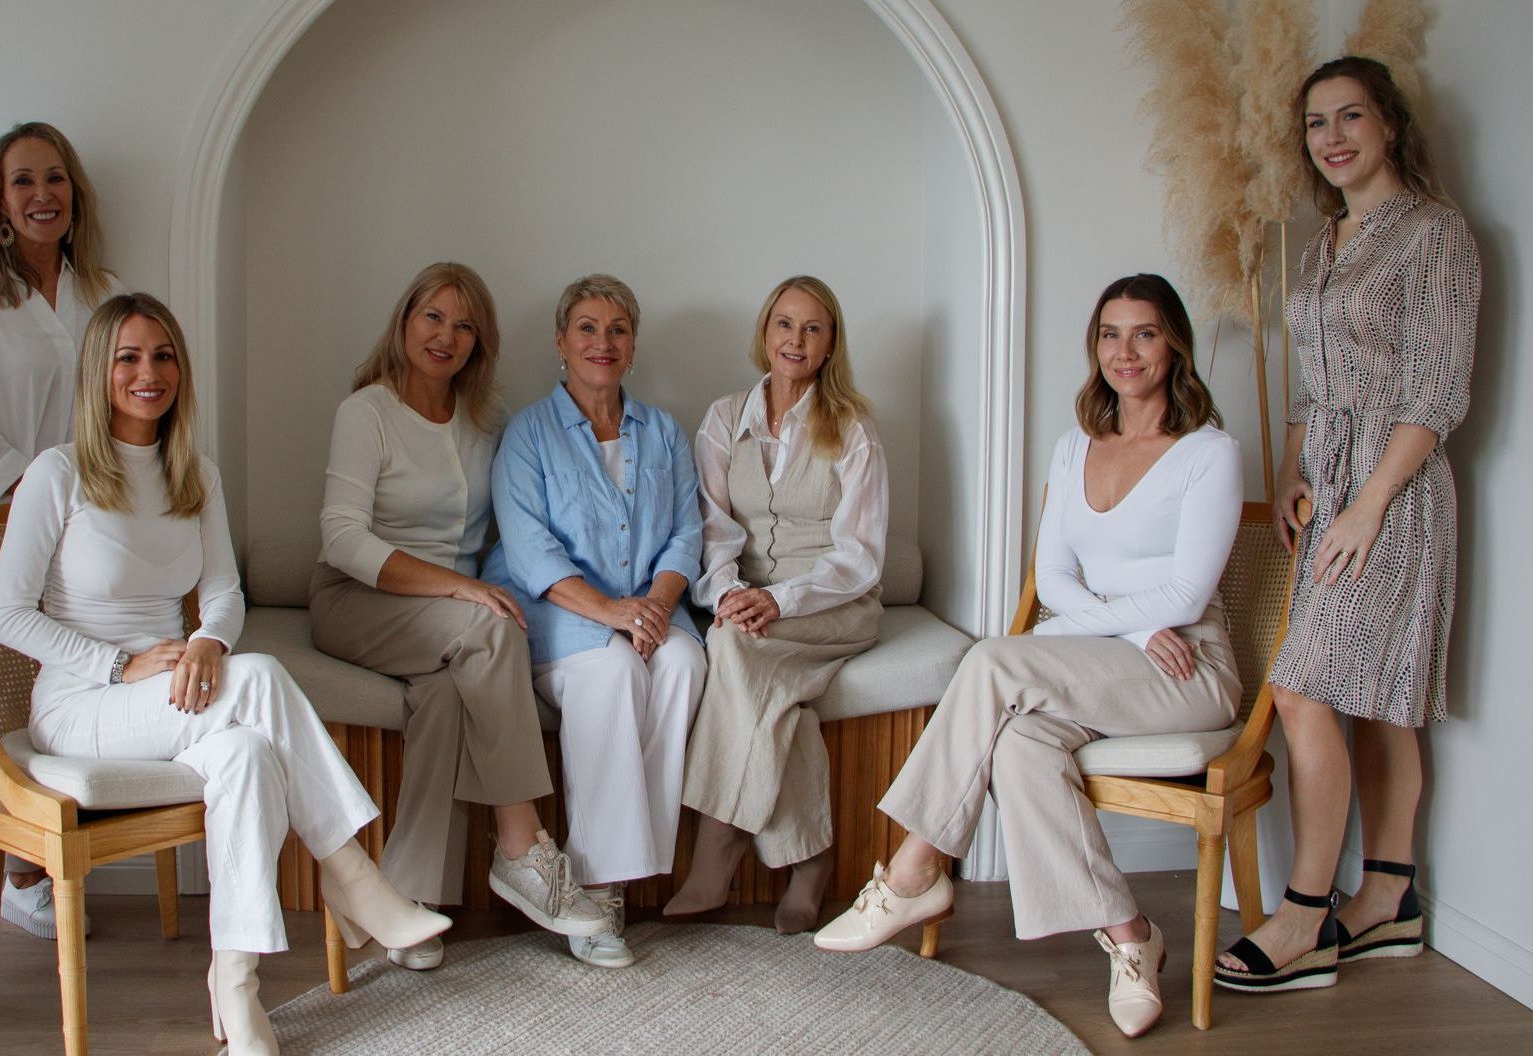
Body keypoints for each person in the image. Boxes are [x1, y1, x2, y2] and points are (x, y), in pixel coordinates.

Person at [0, 293, 447, 1056]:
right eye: (129, 357)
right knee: (262, 679)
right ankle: (355, 878)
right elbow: (7, 616)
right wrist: (115, 661)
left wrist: (208, 642)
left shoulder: (193, 473)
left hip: (174, 696)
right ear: (98, 372)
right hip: (81, 704)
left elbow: (226, 592)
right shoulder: (57, 473)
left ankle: (235, 988)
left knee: (248, 754)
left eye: (163, 356)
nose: (149, 373)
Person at [815, 274, 1242, 1040]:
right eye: (1110, 334)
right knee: (1017, 743)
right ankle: (1131, 935)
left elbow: (1186, 595)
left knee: (991, 663)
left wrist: (1142, 630)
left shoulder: (1208, 453)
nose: (1126, 351)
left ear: (1173, 341)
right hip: (1110, 657)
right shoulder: (1076, 445)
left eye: (1144, 333)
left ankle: (913, 870)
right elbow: (1054, 579)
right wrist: (1133, 629)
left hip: (1188, 672)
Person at [1216, 57, 1481, 993]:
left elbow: (1438, 388)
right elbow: (1311, 386)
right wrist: (1294, 475)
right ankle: (1391, 898)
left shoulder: (1436, 235)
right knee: (1367, 698)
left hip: (1394, 496)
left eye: (1351, 116)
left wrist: (1367, 504)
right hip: (1327, 489)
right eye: (1317, 123)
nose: (1332, 137)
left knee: (1305, 689)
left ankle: (1305, 918)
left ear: (1391, 125)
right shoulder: (1326, 242)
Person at [309, 264, 606, 970]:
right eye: (433, 317)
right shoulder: (367, 412)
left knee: (443, 699)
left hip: (445, 620)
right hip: (357, 600)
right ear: (405, 320)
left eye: (464, 324)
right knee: (490, 626)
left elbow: (515, 527)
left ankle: (411, 903)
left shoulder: (487, 423)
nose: (446, 335)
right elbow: (342, 540)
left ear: (481, 342)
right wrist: (460, 590)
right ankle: (521, 845)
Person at [0, 121, 120, 939]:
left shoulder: (101, 294)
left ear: (75, 195)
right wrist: (29, 490)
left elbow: (120, 402)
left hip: (88, 527)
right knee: (1, 686)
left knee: (72, 684)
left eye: (55, 179)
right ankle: (20, 870)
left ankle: (71, 848)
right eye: (22, 182)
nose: (42, 194)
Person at [485, 274, 707, 968]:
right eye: (587, 327)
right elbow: (529, 551)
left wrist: (657, 608)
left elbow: (684, 536)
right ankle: (598, 887)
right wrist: (612, 612)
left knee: (684, 662)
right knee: (611, 670)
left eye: (616, 329)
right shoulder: (528, 432)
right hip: (562, 616)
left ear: (633, 344)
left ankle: (626, 870)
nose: (602, 342)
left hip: (649, 607)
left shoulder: (664, 432)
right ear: (560, 342)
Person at [663, 275, 888, 934]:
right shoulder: (724, 418)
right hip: (748, 594)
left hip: (833, 599)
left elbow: (860, 557)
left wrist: (779, 601)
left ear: (830, 345)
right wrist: (733, 591)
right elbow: (711, 526)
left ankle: (717, 848)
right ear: (765, 334)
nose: (796, 339)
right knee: (775, 692)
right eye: (785, 324)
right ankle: (809, 859)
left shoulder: (854, 428)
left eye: (813, 328)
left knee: (733, 647)